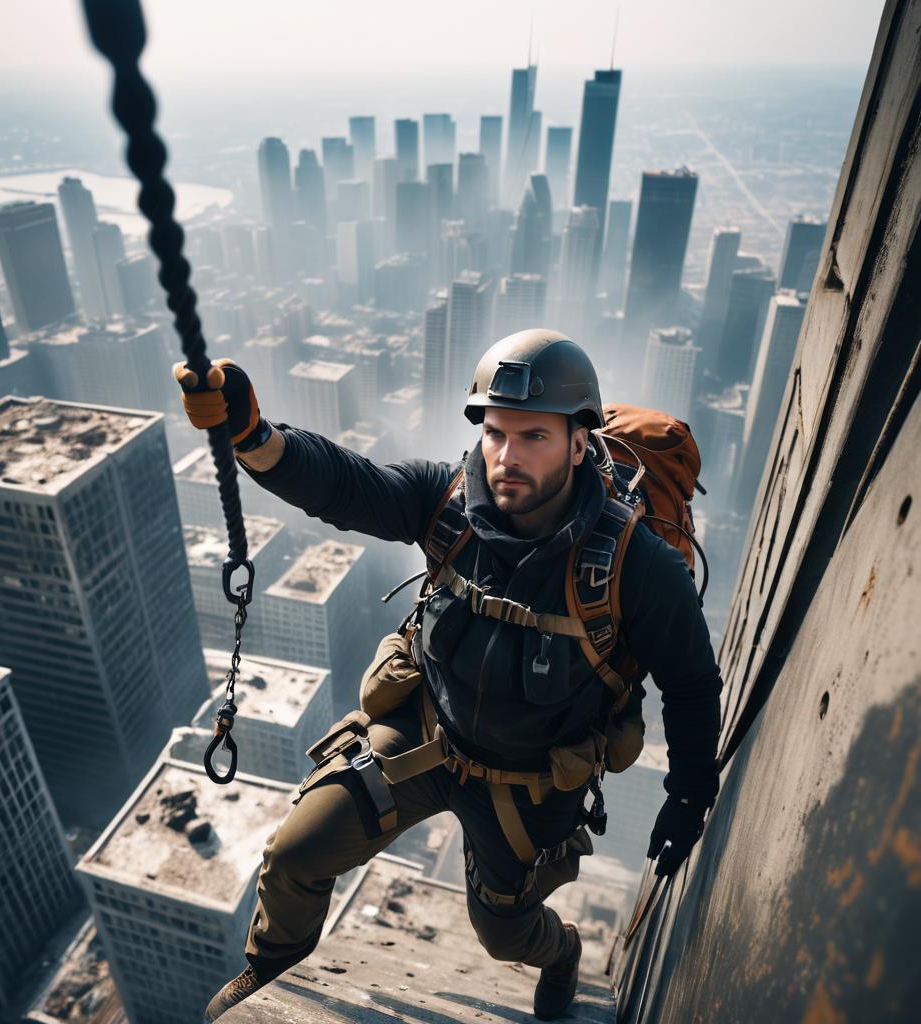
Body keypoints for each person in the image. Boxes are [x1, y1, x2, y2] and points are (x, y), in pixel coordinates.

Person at [174, 328, 722, 1022]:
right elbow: (349, 485)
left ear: (581, 444)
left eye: (534, 437)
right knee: (293, 855)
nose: (506, 457)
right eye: (495, 434)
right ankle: (272, 969)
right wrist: (255, 437)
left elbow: (693, 686)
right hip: (426, 739)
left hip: (527, 788)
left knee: (505, 935)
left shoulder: (637, 566)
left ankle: (563, 952)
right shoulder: (449, 504)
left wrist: (688, 795)